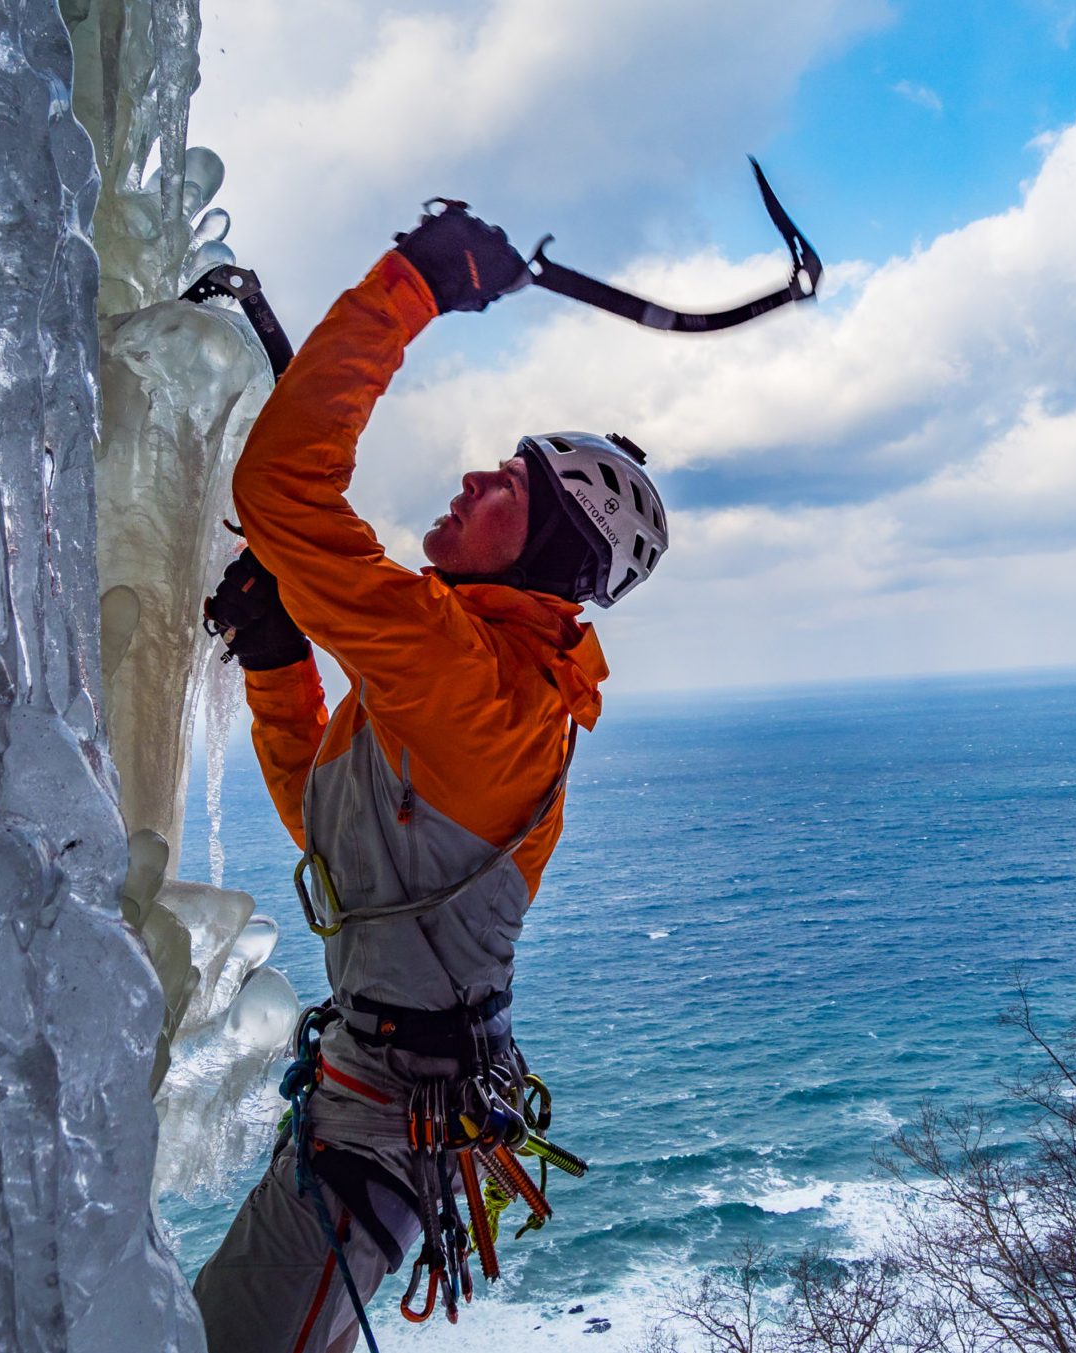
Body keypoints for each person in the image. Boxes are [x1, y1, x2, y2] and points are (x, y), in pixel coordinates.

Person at [191, 201, 669, 1353]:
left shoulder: (469, 681)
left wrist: (414, 283)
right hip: (371, 1121)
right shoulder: (480, 689)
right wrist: (276, 665)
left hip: (373, 1143)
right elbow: (338, 825)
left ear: (547, 546)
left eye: (507, 481)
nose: (469, 478)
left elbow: (284, 497)